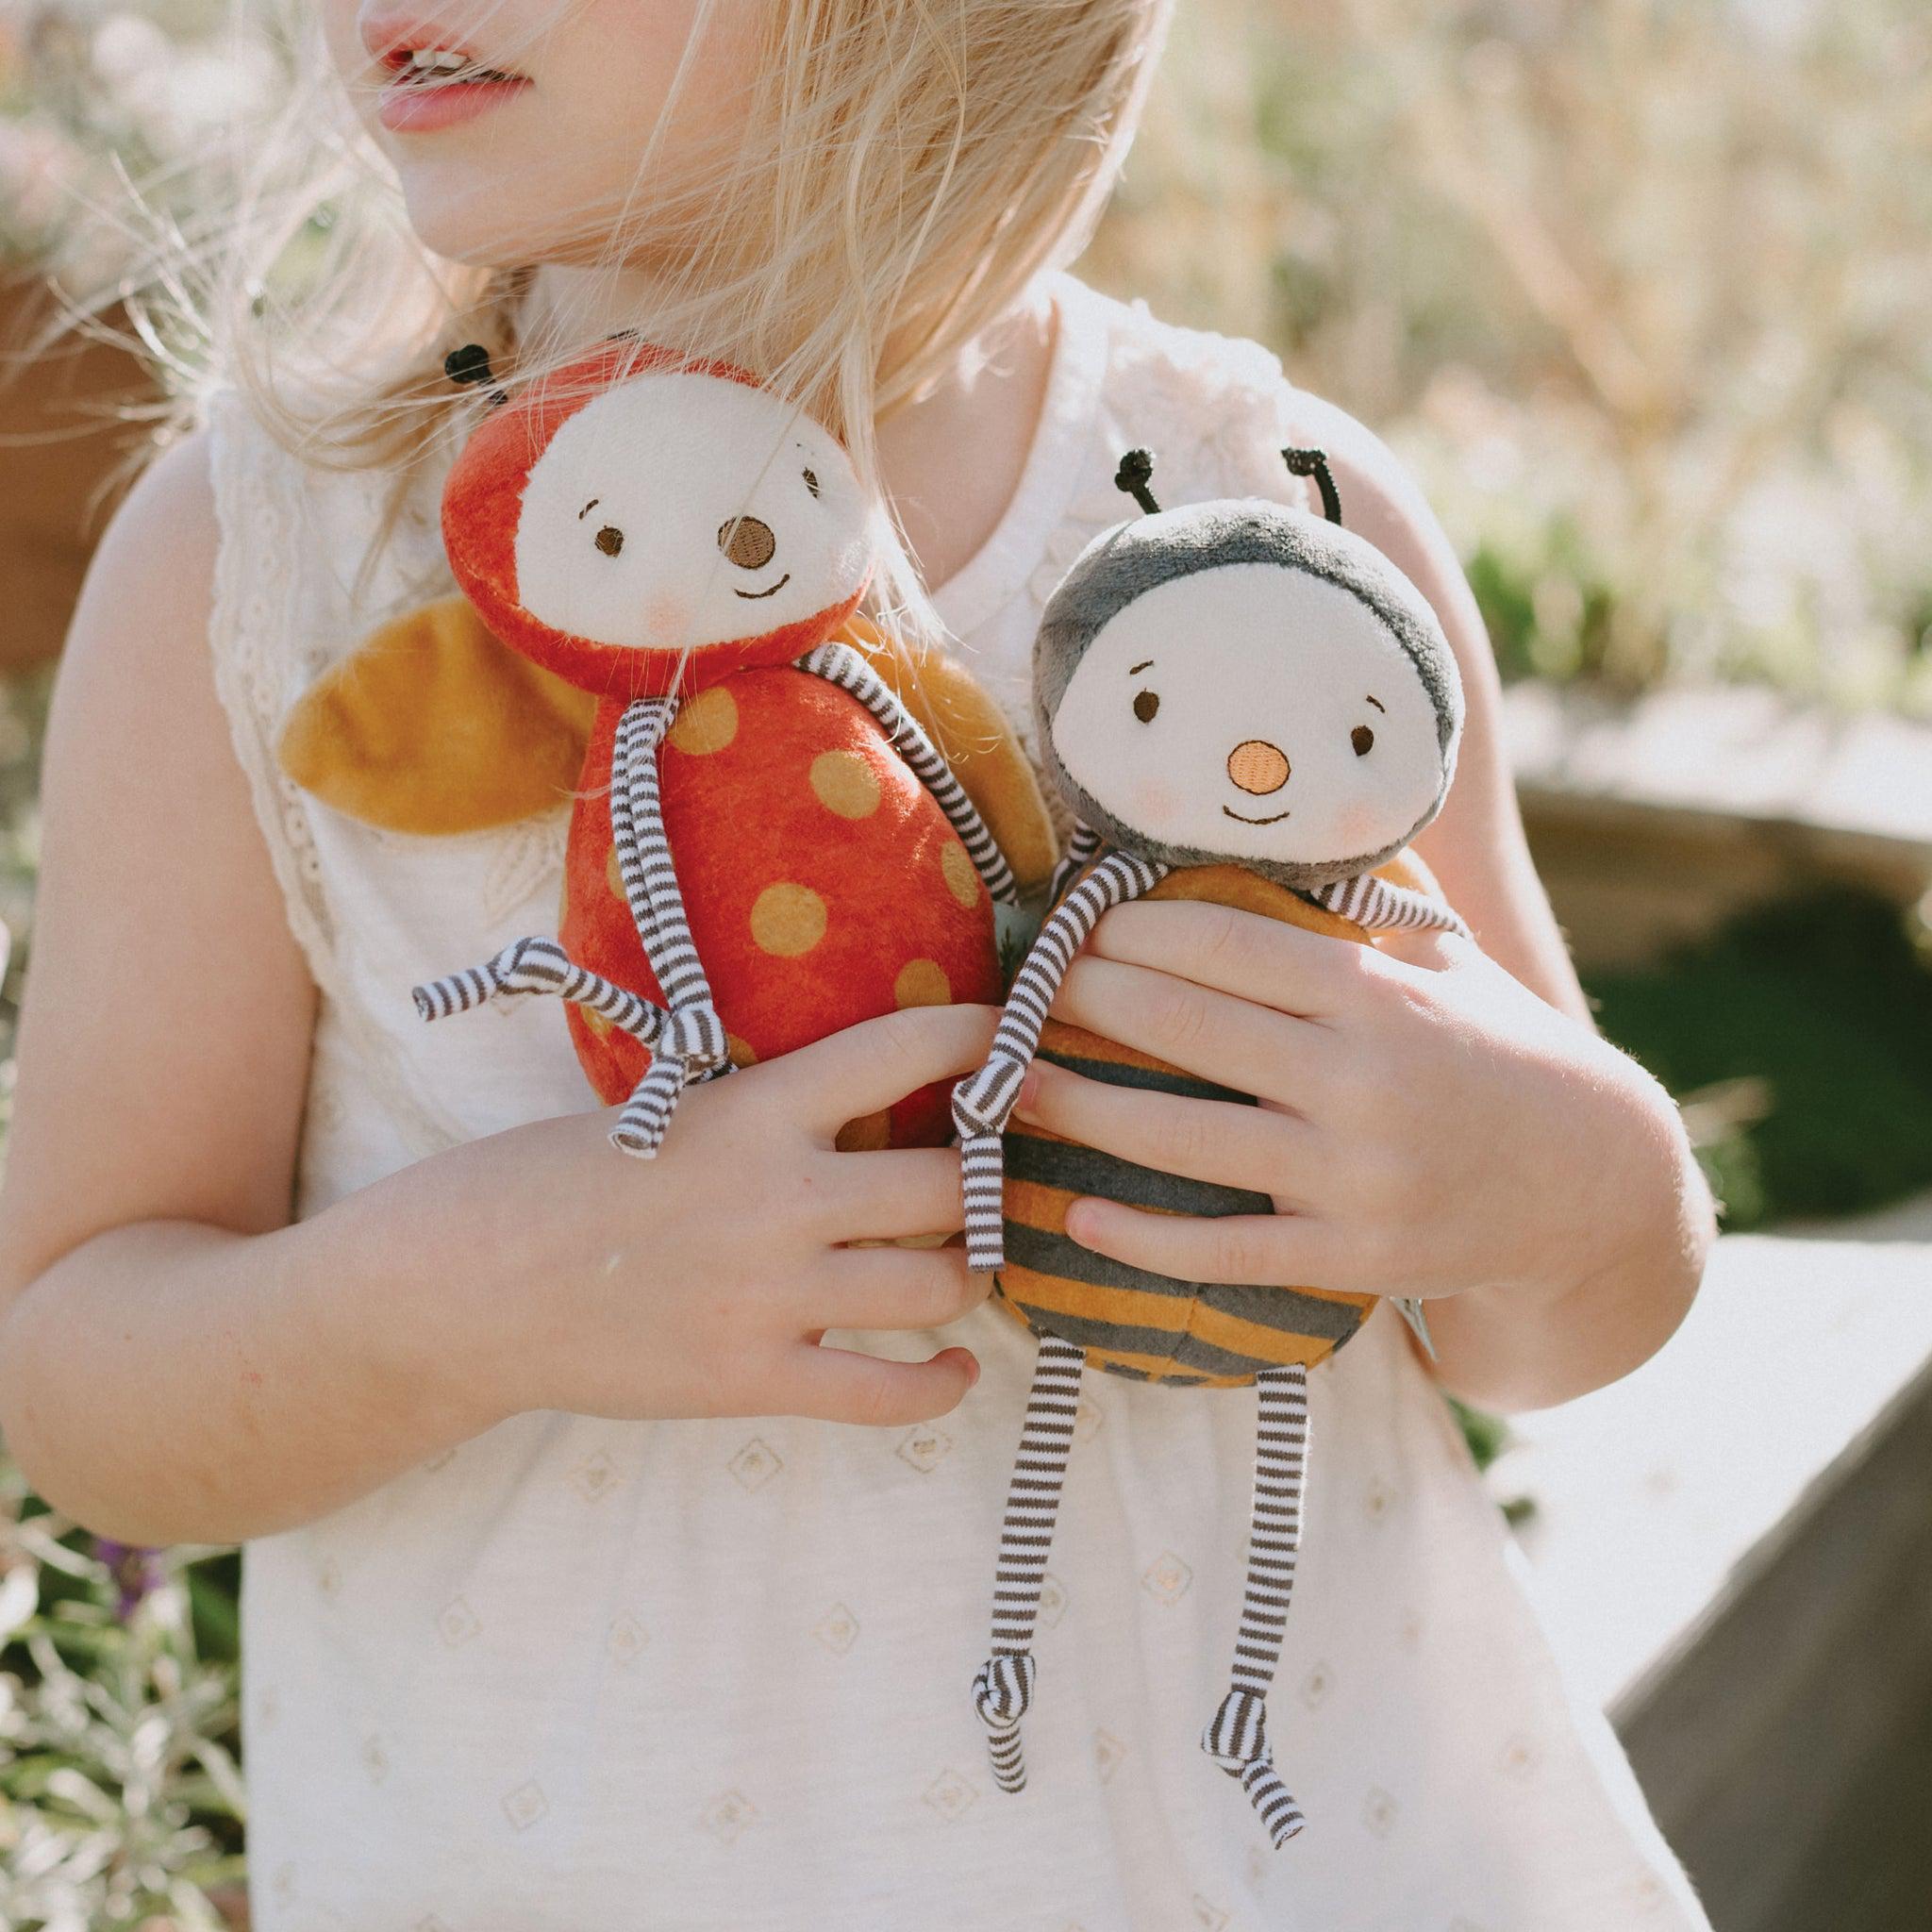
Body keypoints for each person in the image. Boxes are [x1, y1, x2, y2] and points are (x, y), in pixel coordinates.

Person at [0, 2, 1716, 1924]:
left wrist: (1571, 1180)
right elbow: (76, 1374)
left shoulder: (1264, 515)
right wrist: (469, 1292)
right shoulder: (261, 573)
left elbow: (1542, 1328)